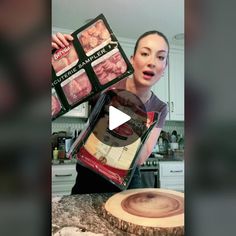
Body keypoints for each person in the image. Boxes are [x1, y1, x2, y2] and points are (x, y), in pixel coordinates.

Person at [52, 30, 169, 193]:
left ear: (164, 69)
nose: (152, 62)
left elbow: (141, 158)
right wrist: (57, 54)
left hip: (125, 181)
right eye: (145, 53)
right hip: (89, 174)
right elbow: (63, 92)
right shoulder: (108, 83)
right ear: (132, 60)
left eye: (161, 57)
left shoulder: (159, 108)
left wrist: (130, 115)